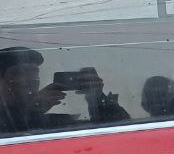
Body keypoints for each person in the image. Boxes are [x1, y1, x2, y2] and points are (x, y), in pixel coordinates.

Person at [0, 47, 129, 135]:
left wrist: (96, 96)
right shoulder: (12, 119)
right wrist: (32, 110)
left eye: (35, 73)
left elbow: (121, 129)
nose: (31, 80)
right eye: (19, 73)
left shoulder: (55, 121)